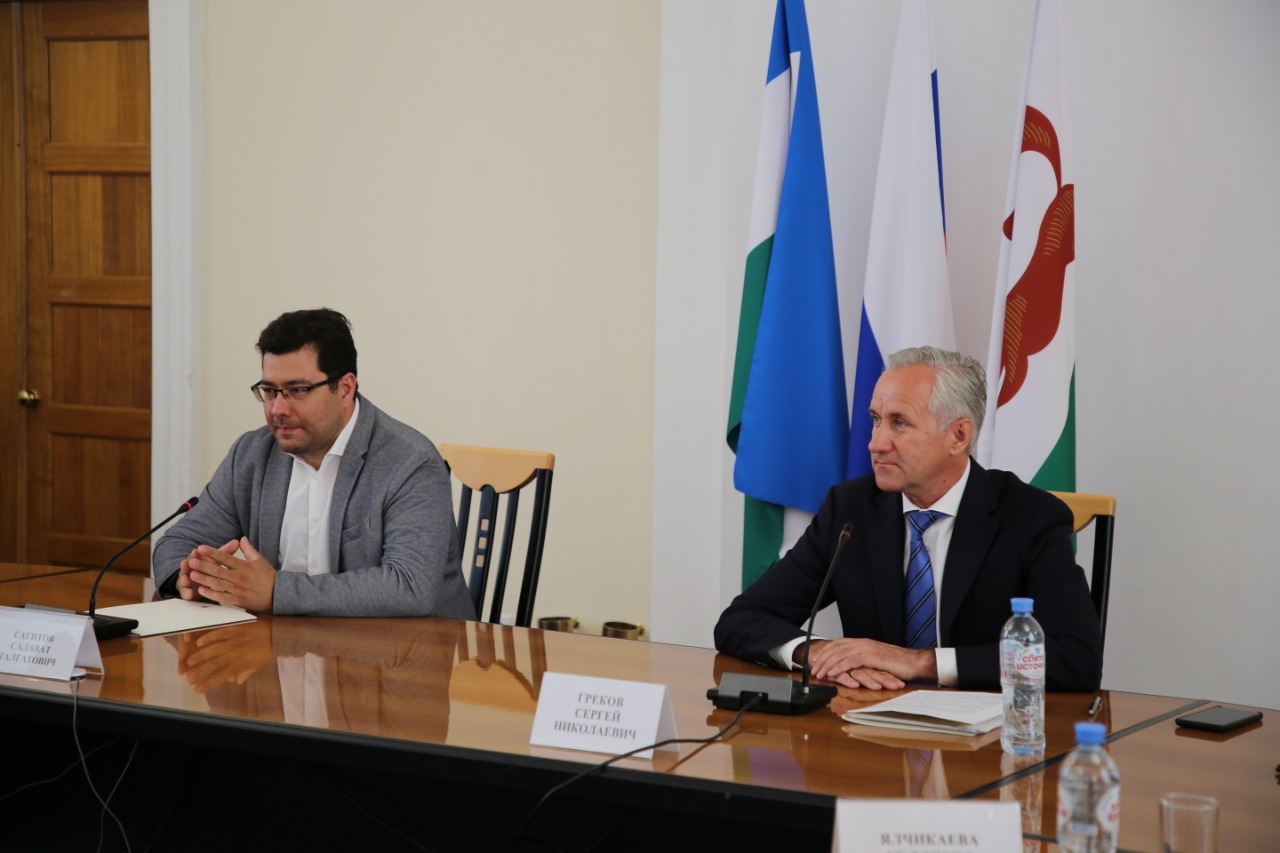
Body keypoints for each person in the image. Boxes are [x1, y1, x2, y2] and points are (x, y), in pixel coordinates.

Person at [714, 346, 1102, 692]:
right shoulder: (850, 510)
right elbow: (742, 619)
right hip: (870, 726)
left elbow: (1076, 658)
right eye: (875, 419)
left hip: (985, 734)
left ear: (958, 435)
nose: (875, 443)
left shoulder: (1029, 517)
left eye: (899, 422)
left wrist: (918, 662)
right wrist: (817, 653)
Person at [152, 308, 476, 619]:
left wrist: (277, 591)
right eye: (269, 391)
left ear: (345, 388)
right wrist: (188, 577)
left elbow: (410, 586)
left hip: (407, 650)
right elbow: (177, 543)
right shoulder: (251, 454)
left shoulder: (410, 462)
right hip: (285, 647)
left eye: (297, 390)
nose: (278, 409)